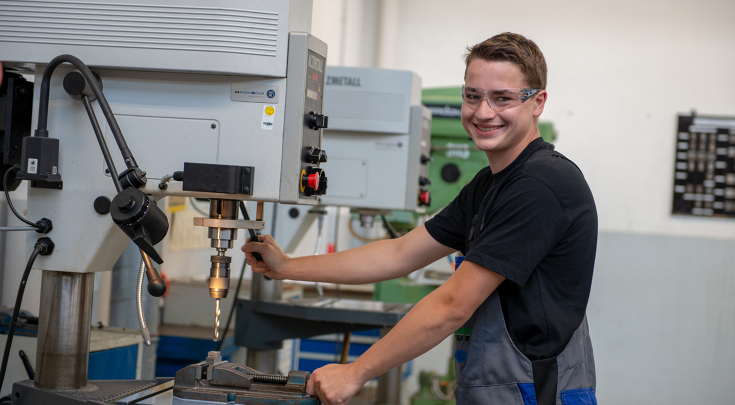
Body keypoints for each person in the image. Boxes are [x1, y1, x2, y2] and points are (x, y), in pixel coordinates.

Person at [243, 32, 598, 405]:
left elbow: (453, 305)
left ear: (537, 102)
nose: (483, 112)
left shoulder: (541, 184)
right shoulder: (489, 184)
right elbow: (399, 254)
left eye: (502, 98)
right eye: (472, 95)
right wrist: (287, 267)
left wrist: (355, 373)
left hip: (536, 392)